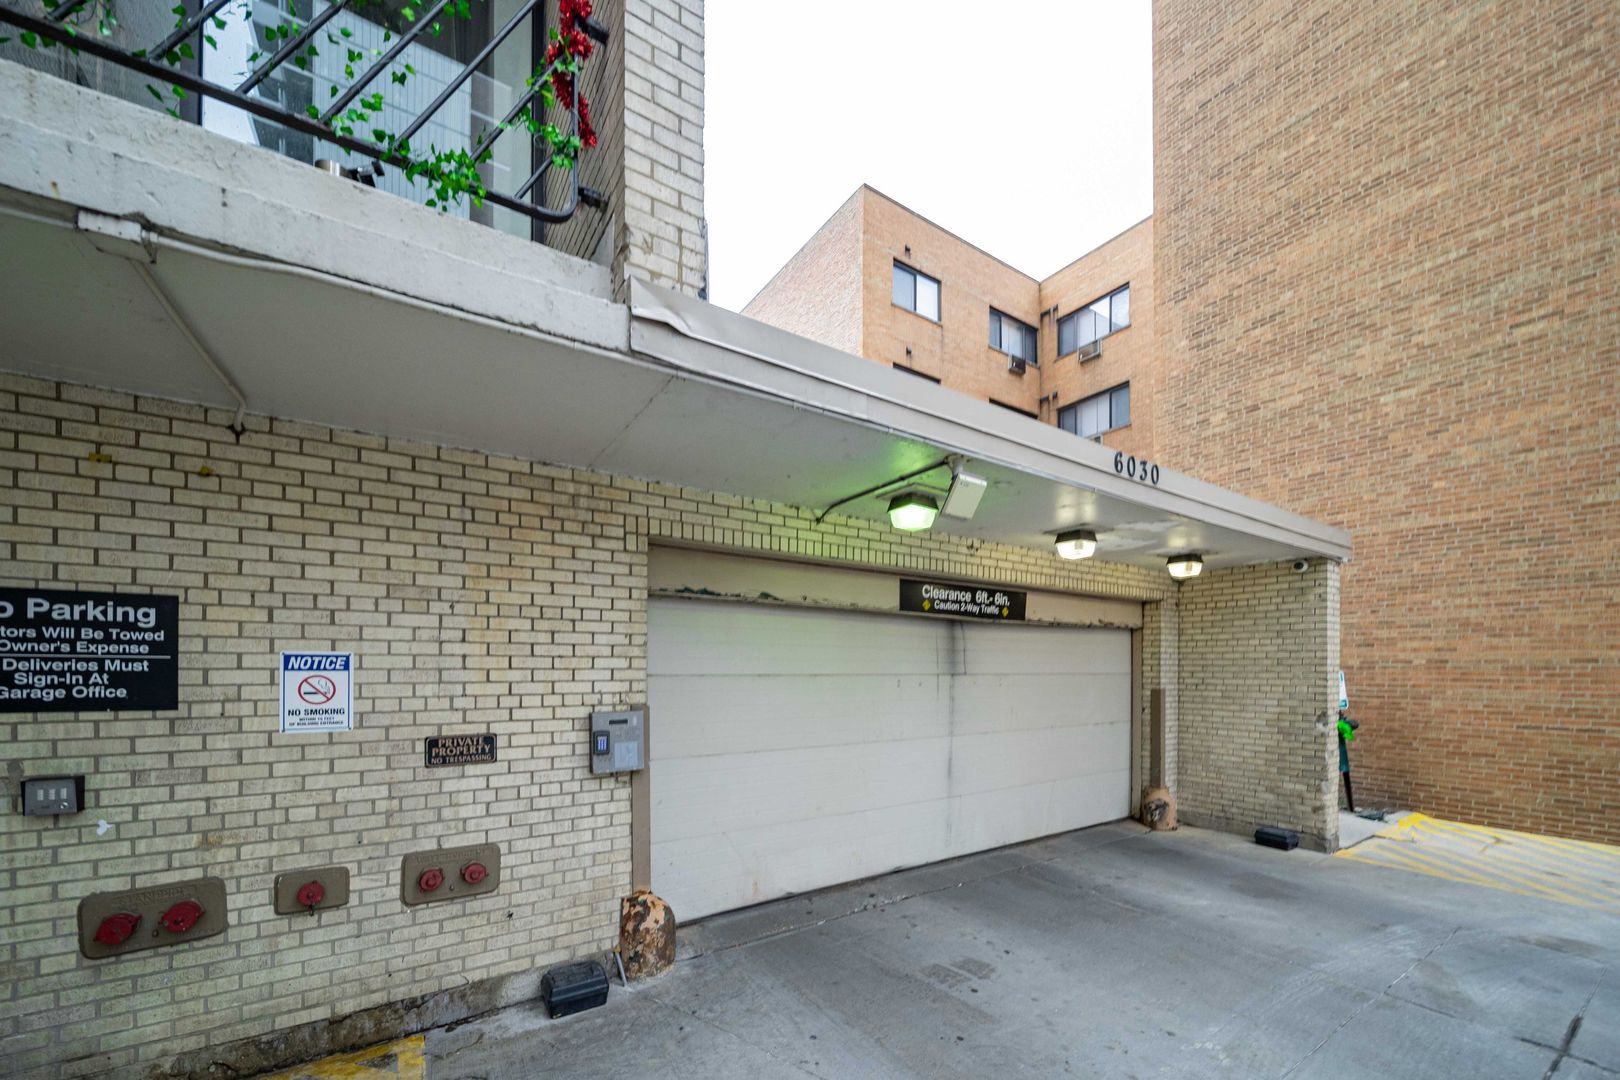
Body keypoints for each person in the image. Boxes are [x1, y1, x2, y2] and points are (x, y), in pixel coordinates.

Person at [1337, 710, 1359, 812]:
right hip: (1334, 754)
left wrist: (1343, 722)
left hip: (1340, 753)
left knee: (1345, 777)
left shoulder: (1342, 722)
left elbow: (1355, 724)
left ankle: (1350, 808)